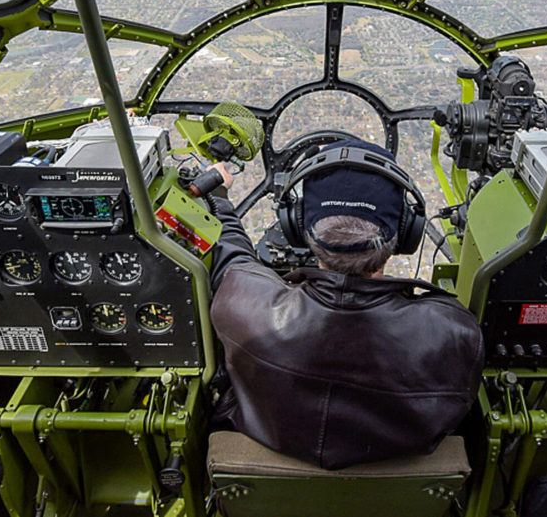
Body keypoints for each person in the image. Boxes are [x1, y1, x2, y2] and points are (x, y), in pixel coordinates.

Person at [206, 139, 485, 470]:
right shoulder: (454, 334)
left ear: (298, 227)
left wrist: (218, 198)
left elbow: (232, 255)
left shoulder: (242, 305)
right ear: (405, 233)